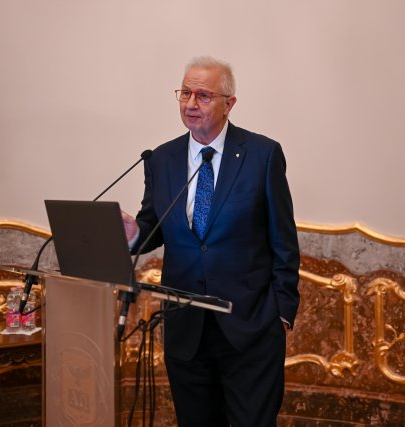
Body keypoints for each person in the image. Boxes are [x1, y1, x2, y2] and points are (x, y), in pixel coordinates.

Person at [122, 56, 300, 427]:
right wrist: (133, 233)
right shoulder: (161, 158)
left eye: (203, 95)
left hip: (249, 328)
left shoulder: (262, 155)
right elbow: (153, 225)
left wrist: (281, 314)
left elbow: (284, 240)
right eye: (185, 93)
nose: (190, 103)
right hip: (186, 328)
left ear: (229, 103)